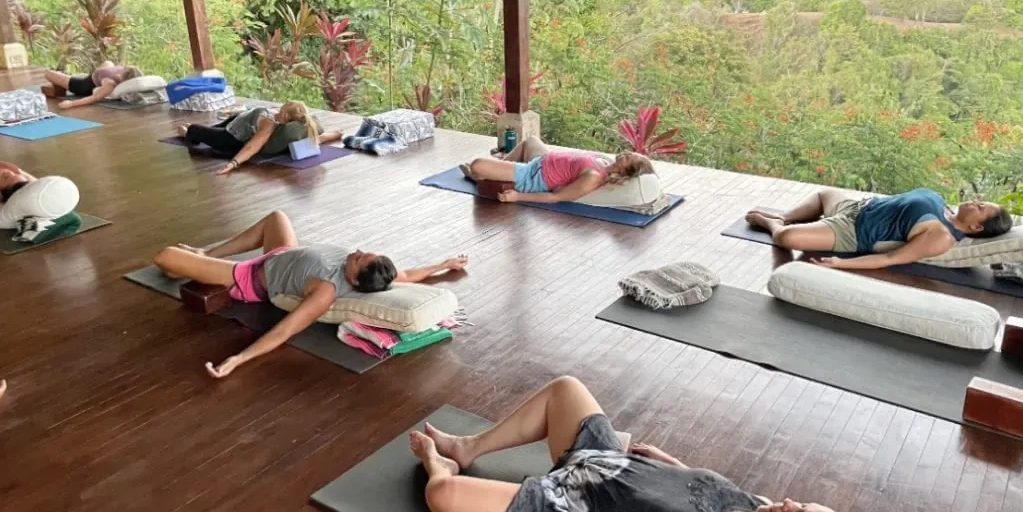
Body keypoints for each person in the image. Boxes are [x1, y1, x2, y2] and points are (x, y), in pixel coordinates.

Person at [409, 376, 867, 512]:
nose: (789, 505)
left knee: (444, 497)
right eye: (803, 504)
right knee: (566, 389)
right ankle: (469, 447)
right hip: (609, 462)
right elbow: (701, 490)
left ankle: (439, 461)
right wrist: (670, 462)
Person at [152, 210, 468, 379]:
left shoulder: (325, 291)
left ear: (355, 280)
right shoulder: (381, 273)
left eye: (358, 258)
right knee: (276, 217)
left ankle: (197, 262)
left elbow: (285, 330)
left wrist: (239, 359)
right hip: (282, 254)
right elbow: (409, 275)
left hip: (249, 277)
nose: (356, 251)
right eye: (363, 252)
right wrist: (444, 264)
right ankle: (205, 254)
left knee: (166, 258)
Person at [745, 187, 1013, 271]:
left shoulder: (940, 237)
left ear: (976, 226)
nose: (976, 202)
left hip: (852, 231)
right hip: (859, 207)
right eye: (981, 201)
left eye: (981, 208)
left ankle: (774, 224)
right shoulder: (947, 209)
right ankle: (785, 216)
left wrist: (841, 264)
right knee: (824, 194)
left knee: (786, 238)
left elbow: (891, 258)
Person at [461, 137, 655, 204]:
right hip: (541, 161)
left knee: (477, 164)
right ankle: (498, 167)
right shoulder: (604, 160)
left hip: (531, 175)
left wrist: (518, 197)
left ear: (625, 171)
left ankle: (477, 175)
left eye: (630, 157)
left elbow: (556, 197)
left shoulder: (594, 177)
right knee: (531, 141)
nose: (627, 152)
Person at [175, 101, 344, 175]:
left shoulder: (269, 123)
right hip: (238, 123)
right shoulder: (286, 122)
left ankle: (186, 132)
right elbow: (318, 138)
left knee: (195, 130)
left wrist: (232, 164)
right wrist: (336, 134)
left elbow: (252, 147)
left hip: (231, 137)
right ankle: (194, 130)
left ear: (285, 114)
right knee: (218, 126)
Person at [43, 61, 143, 109]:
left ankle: (65, 79)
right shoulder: (125, 70)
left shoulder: (109, 84)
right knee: (108, 62)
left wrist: (71, 104)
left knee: (48, 74)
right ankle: (67, 76)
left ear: (123, 79)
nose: (120, 71)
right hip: (94, 75)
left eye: (121, 74)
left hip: (83, 85)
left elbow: (93, 98)